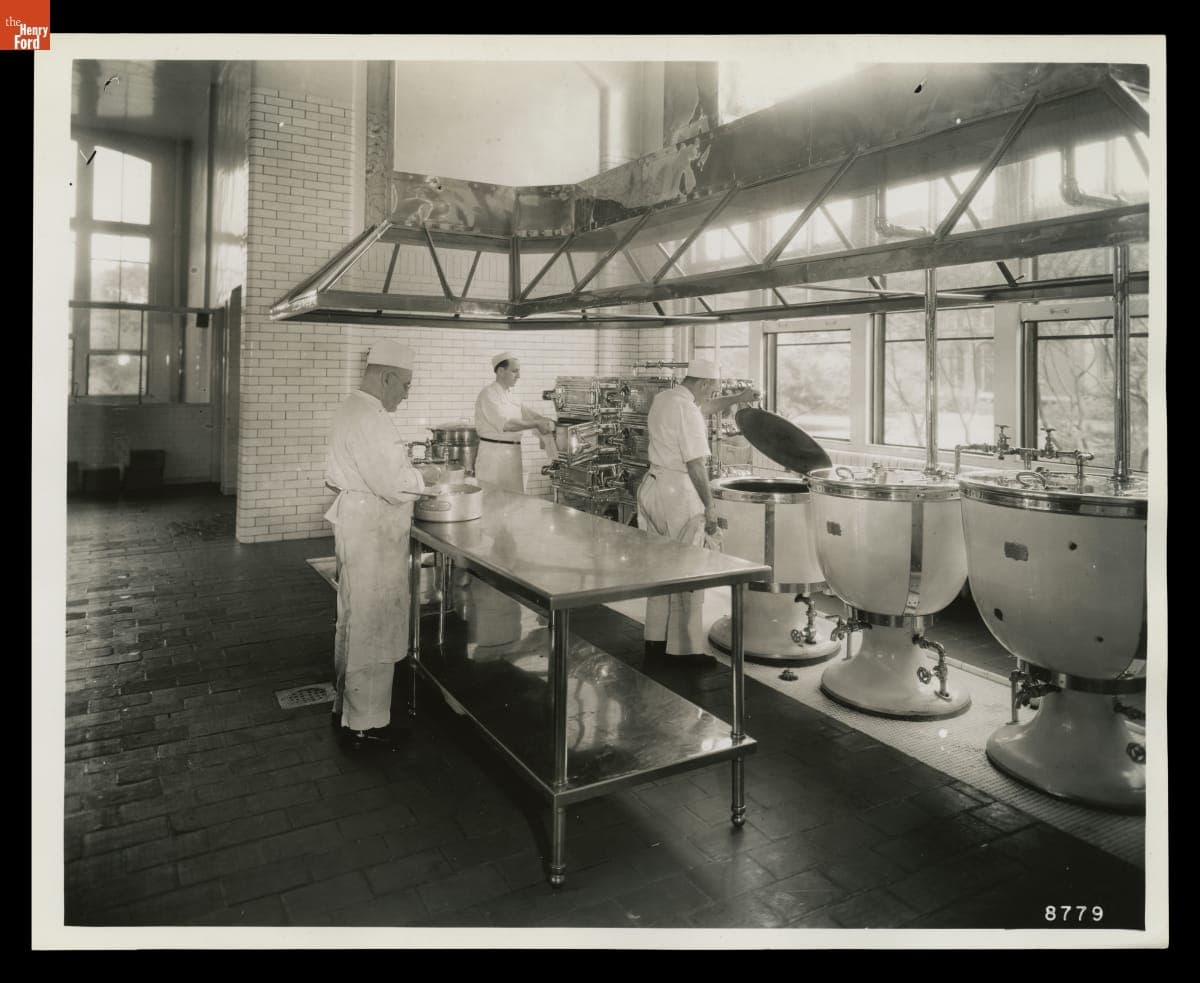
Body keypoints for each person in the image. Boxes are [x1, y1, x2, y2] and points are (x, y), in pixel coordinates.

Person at [324, 341, 433, 749]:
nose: (406, 394)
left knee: (354, 618)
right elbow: (393, 483)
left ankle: (347, 708)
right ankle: (365, 724)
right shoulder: (370, 416)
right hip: (372, 531)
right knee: (372, 621)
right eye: (405, 385)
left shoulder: (355, 408)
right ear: (386, 378)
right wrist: (428, 480)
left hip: (362, 525)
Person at [638, 360, 756, 668]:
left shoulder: (667, 398)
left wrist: (736, 399)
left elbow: (703, 408)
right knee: (689, 570)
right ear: (703, 384)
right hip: (678, 492)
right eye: (712, 389)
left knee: (660, 568)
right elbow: (695, 464)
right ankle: (685, 652)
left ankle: (655, 641)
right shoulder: (686, 410)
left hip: (652, 486)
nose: (711, 395)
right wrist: (709, 506)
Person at [473, 351, 556, 493]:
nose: (519, 376)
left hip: (513, 454)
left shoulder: (512, 396)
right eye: (514, 371)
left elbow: (529, 415)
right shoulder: (488, 394)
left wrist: (553, 423)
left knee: (514, 502)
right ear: (500, 371)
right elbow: (507, 424)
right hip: (493, 456)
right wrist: (537, 424)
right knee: (492, 501)